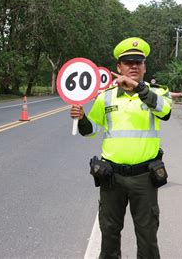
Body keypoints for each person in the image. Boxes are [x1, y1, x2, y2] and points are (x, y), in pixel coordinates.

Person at [71, 37, 172, 258]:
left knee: (147, 236)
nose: (133, 66)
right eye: (128, 62)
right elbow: (91, 131)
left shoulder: (158, 93)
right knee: (109, 234)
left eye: (138, 62)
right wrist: (81, 118)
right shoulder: (105, 97)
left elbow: (165, 112)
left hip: (144, 178)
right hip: (111, 177)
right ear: (119, 67)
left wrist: (140, 89)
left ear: (145, 66)